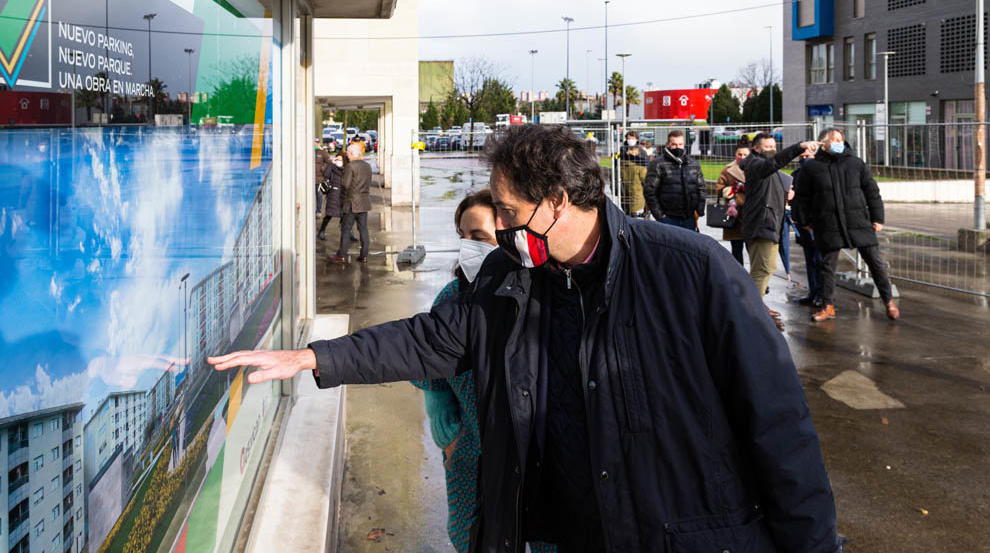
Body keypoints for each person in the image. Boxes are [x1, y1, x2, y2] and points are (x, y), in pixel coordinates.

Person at [209, 124, 842, 553]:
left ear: (560, 202)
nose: (502, 233)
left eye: (510, 216)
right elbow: (432, 338)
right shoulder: (513, 277)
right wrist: (316, 356)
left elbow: (777, 423)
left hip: (679, 532)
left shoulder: (692, 271)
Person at [410, 190, 556, 553]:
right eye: (462, 236)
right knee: (471, 538)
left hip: (543, 463)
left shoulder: (546, 296)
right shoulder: (453, 297)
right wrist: (450, 437)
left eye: (479, 237)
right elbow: (432, 373)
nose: (468, 247)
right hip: (471, 456)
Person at [795, 128, 900, 322]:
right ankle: (828, 306)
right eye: (833, 139)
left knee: (876, 263)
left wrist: (878, 218)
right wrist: (805, 222)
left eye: (840, 139)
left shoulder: (856, 163)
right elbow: (801, 198)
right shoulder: (811, 167)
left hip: (858, 221)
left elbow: (872, 192)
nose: (838, 142)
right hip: (828, 223)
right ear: (822, 143)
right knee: (827, 266)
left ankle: (889, 301)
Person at [739, 133, 818, 326]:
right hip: (762, 225)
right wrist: (799, 146)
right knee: (763, 269)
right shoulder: (757, 165)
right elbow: (773, 163)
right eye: (768, 147)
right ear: (757, 149)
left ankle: (757, 308)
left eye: (774, 146)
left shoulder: (763, 167)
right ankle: (753, 314)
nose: (772, 150)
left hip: (769, 223)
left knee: (768, 267)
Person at [643, 130, 706, 230]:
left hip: (689, 217)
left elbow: (701, 188)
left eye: (680, 144)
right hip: (668, 218)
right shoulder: (658, 164)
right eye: (674, 144)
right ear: (668, 144)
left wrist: (699, 210)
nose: (678, 147)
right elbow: (649, 191)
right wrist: (660, 216)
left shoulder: (693, 163)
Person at [790, 160, 824, 307]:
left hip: (818, 224)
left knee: (820, 261)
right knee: (810, 260)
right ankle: (813, 291)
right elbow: (795, 200)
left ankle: (822, 295)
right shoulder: (796, 175)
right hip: (803, 224)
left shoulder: (822, 173)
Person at [329, 144, 371, 263]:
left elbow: (345, 184)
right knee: (363, 229)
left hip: (351, 202)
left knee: (346, 228)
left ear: (352, 154)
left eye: (347, 154)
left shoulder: (351, 166)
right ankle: (364, 255)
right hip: (364, 202)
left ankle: (342, 254)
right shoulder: (367, 166)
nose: (346, 156)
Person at [714, 144, 750, 265]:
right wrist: (733, 191)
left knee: (754, 251)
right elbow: (719, 188)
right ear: (735, 155)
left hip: (752, 215)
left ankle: (758, 282)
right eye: (739, 154)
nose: (742, 157)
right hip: (734, 215)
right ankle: (739, 280)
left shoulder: (756, 168)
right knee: (736, 250)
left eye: (745, 154)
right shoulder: (727, 170)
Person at [617, 131, 649, 216]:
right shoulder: (622, 149)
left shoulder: (641, 150)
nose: (630, 140)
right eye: (629, 138)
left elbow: (646, 163)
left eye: (632, 138)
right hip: (627, 180)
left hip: (636, 181)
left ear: (637, 139)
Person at [318, 151, 347, 241]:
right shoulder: (332, 168)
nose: (338, 161)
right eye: (337, 159)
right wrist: (331, 163)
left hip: (344, 194)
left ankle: (349, 233)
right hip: (333, 194)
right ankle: (321, 231)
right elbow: (326, 175)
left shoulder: (347, 169)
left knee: (345, 215)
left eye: (340, 160)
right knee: (329, 214)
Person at [315, 141, 330, 218]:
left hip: (320, 178)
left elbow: (328, 162)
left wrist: (323, 168)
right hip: (310, 180)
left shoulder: (322, 153)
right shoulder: (308, 152)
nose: (315, 144)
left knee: (319, 195)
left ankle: (318, 211)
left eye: (316, 143)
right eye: (314, 143)